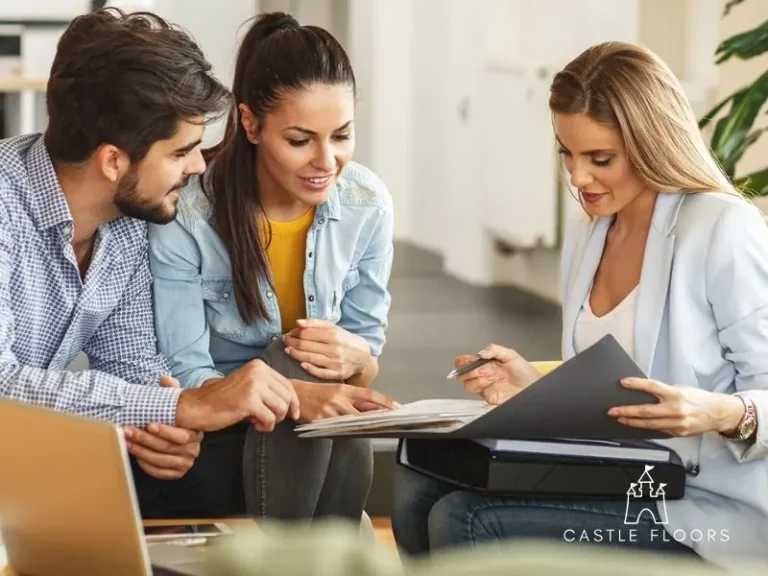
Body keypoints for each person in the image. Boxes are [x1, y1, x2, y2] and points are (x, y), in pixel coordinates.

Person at [392, 41, 768, 565]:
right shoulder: (591, 232)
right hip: (625, 477)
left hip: (708, 506)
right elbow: (620, 380)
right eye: (566, 152)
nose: (577, 176)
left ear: (652, 143)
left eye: (600, 158)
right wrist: (535, 383)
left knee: (465, 518)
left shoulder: (723, 229)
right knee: (419, 486)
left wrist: (719, 412)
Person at [0, 7, 302, 519]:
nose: (196, 166)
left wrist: (163, 430)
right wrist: (184, 406)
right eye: (181, 151)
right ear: (114, 160)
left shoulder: (128, 221)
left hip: (25, 450)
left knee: (217, 467)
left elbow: (132, 362)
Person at [148, 12, 397, 522]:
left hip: (318, 433)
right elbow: (185, 372)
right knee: (288, 360)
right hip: (224, 427)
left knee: (322, 377)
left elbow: (364, 363)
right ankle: (327, 551)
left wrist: (356, 359)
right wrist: (294, 394)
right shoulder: (189, 215)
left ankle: (305, 556)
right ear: (250, 123)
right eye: (301, 140)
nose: (326, 161)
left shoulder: (367, 203)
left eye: (342, 136)